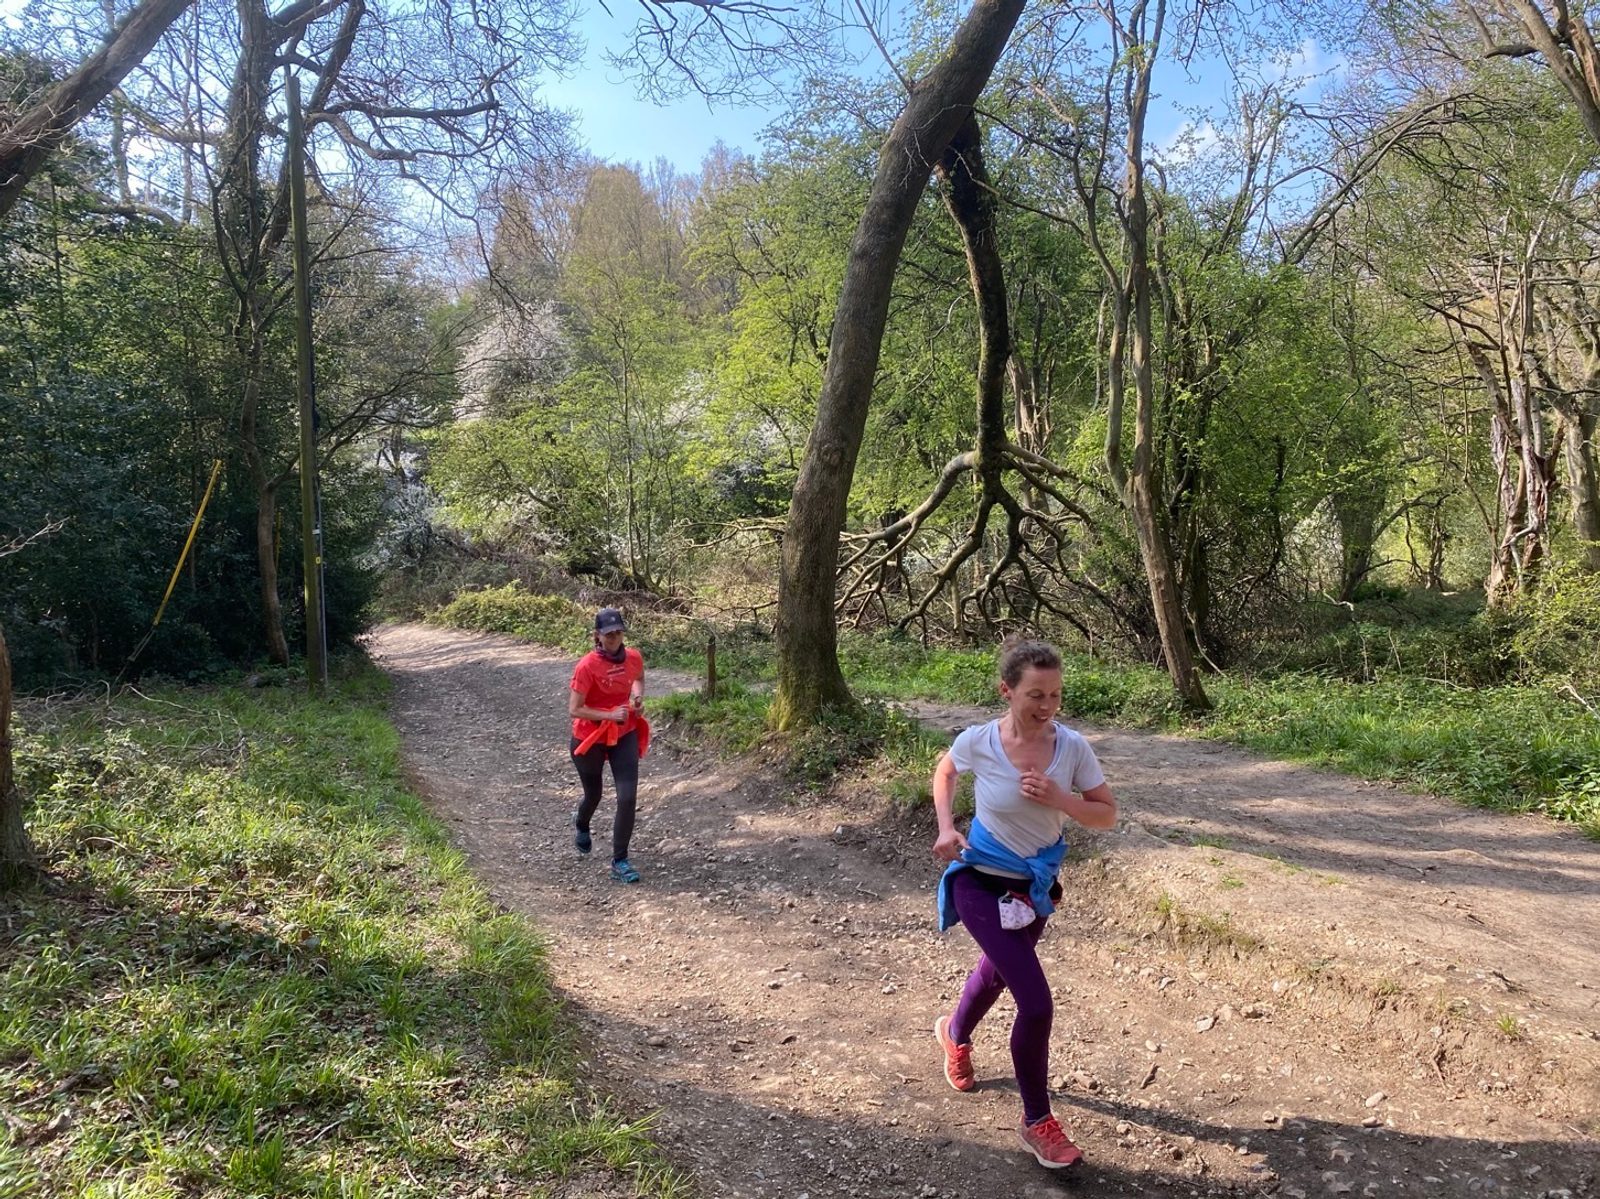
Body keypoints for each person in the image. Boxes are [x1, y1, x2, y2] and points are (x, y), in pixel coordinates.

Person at [931, 638, 1118, 1170]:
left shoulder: (1073, 748)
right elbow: (945, 772)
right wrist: (947, 826)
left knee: (996, 973)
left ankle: (954, 1033)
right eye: (1036, 694)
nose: (1047, 705)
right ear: (1006, 691)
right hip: (978, 881)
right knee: (1034, 1001)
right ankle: (1037, 1121)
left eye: (1056, 695)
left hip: (1033, 888)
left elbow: (1106, 814)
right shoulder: (980, 741)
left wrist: (1062, 799)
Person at [568, 607, 647, 884]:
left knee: (627, 797)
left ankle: (620, 860)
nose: (614, 639)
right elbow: (575, 709)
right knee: (594, 795)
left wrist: (637, 699)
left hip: (623, 734)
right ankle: (581, 823)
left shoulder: (633, 657)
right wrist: (608, 714)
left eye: (618, 633)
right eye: (608, 635)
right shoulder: (587, 666)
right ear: (597, 636)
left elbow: (638, 679)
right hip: (589, 737)